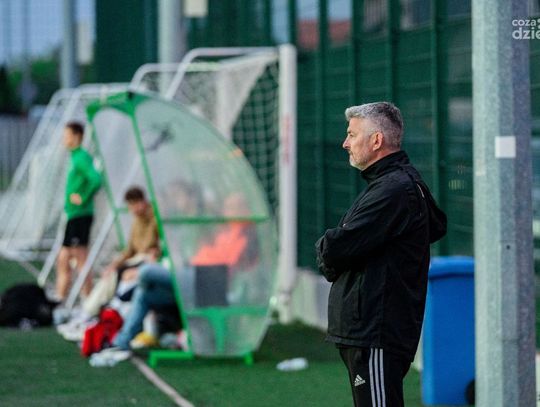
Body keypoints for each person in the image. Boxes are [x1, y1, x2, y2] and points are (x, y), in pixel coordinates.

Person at [315, 102, 447, 407]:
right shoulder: (393, 184)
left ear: (376, 140)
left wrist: (327, 249)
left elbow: (335, 248)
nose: (345, 143)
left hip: (375, 330)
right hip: (371, 329)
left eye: (352, 134)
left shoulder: (394, 189)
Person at [89, 193, 257, 365]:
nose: (226, 211)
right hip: (193, 277)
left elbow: (230, 268)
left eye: (231, 207)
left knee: (146, 271)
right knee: (145, 294)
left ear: (244, 209)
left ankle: (125, 300)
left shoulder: (245, 235)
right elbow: (202, 255)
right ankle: (121, 343)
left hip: (207, 281)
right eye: (226, 207)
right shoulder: (225, 232)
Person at [55, 121, 102, 302]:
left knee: (80, 257)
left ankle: (88, 299)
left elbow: (96, 179)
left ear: (76, 136)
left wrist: (83, 197)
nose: (64, 139)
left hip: (81, 215)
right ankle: (61, 298)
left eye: (67, 135)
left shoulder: (81, 157)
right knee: (64, 259)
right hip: (74, 215)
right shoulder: (74, 157)